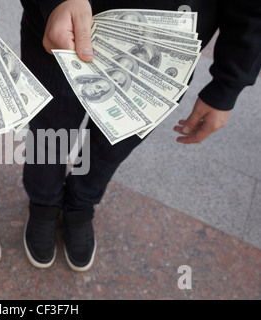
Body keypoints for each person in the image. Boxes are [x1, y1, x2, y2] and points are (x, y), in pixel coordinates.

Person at [20, 0, 261, 271]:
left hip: (162, 52)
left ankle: (80, 204)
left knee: (112, 146)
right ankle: (43, 202)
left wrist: (228, 87)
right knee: (49, 132)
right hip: (65, 27)